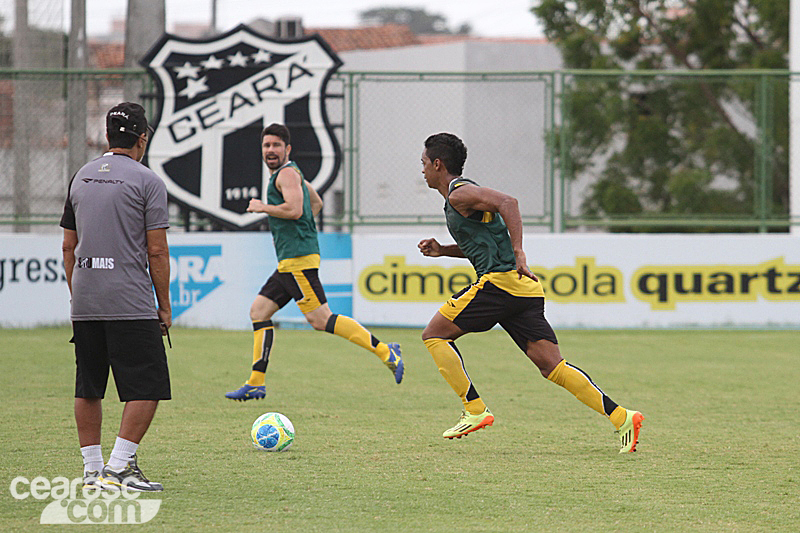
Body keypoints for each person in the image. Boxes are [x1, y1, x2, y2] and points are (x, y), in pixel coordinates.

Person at [417, 132, 644, 453]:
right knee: (552, 366)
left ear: (438, 164)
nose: (422, 169)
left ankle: (474, 409)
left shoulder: (459, 193)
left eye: (424, 163)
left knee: (434, 335)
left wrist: (519, 252)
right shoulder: (462, 197)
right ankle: (623, 416)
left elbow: (509, 202)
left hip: (499, 283)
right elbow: (482, 245)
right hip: (523, 290)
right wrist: (443, 251)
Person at [224, 123, 403, 401]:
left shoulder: (285, 174)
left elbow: (295, 210)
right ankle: (256, 382)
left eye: (276, 145)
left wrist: (263, 208)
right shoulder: (292, 175)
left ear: (288, 149)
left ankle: (386, 351)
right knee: (259, 311)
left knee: (320, 320)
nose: (271, 150)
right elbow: (315, 203)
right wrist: (301, 227)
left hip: (297, 261)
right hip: (289, 261)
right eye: (266, 145)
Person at [61, 102, 171, 491]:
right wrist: (165, 305)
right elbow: (156, 251)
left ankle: (92, 471)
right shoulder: (148, 181)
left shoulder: (80, 176)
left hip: (86, 299)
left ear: (108, 136)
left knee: (88, 385)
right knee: (148, 385)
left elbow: (68, 247)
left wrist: (80, 295)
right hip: (129, 299)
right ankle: (119, 466)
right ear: (142, 138)